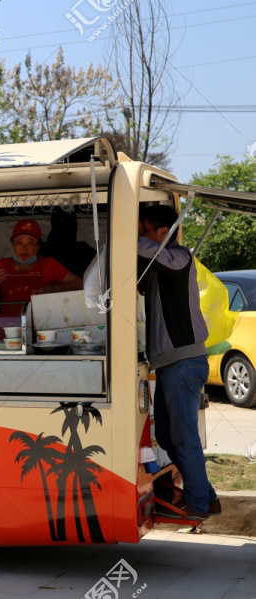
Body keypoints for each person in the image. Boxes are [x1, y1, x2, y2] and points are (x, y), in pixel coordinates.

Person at [138, 204, 220, 520]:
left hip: (184, 362)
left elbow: (143, 249)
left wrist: (125, 233)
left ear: (163, 233)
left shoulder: (178, 257)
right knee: (172, 438)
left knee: (184, 439)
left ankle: (198, 509)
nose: (142, 237)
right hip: (172, 364)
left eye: (146, 230)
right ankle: (207, 498)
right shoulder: (162, 263)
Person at [0, 219, 83, 318]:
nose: (24, 248)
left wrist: (57, 288)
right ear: (13, 244)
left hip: (41, 328)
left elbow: (80, 283)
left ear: (38, 246)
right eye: (19, 242)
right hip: (7, 328)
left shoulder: (48, 264)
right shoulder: (2, 265)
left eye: (30, 243)